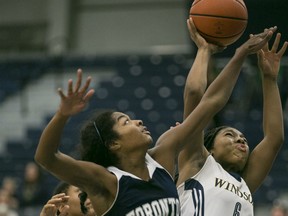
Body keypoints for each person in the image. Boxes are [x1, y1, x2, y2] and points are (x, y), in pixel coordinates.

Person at [34, 23, 273, 215]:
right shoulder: (107, 182)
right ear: (113, 143)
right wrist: (62, 115)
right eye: (125, 122)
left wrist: (239, 54)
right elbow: (46, 158)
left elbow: (209, 102)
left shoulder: (163, 156)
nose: (137, 122)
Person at [177, 18, 287, 215]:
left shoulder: (244, 184)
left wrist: (269, 79)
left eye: (243, 138)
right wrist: (237, 53)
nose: (240, 139)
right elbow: (194, 93)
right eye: (229, 135)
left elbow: (274, 138)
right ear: (209, 150)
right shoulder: (197, 163)